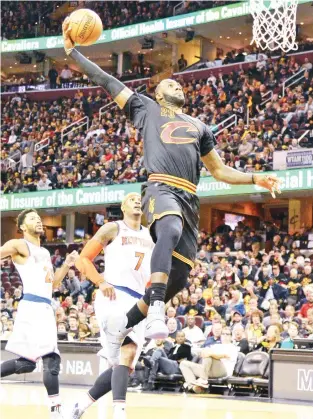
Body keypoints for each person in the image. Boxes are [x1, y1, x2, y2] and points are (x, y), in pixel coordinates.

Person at [62, 19, 281, 349]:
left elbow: (219, 171)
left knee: (179, 275)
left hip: (189, 196)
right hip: (160, 188)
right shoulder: (145, 109)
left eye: (180, 86)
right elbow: (105, 80)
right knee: (170, 229)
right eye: (170, 85)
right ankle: (158, 308)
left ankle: (124, 322)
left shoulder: (200, 126)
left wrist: (255, 177)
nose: (177, 87)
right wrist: (73, 52)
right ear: (157, 93)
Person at [71, 193, 154, 419]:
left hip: (139, 300)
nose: (137, 201)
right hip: (114, 294)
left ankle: (79, 405)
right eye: (131, 199)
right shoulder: (112, 228)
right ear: (123, 207)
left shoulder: (152, 235)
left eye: (139, 199)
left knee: (122, 365)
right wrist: (100, 281)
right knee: (127, 349)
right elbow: (83, 259)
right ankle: (120, 412)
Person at [0, 209, 78, 419]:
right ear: (23, 226)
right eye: (33, 219)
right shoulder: (19, 244)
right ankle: (56, 411)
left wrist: (67, 264)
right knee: (51, 358)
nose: (39, 221)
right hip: (34, 306)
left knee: (27, 363)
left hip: (41, 306)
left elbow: (52, 284)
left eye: (39, 218)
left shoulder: (43, 252)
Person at [180, 326, 238, 393]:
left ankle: (203, 380)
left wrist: (210, 354)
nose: (225, 336)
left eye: (227, 334)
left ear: (231, 336)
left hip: (223, 371)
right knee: (184, 363)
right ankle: (193, 387)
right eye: (223, 334)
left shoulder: (233, 347)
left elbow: (224, 356)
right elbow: (203, 352)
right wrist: (204, 353)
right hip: (208, 370)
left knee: (208, 355)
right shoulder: (216, 346)